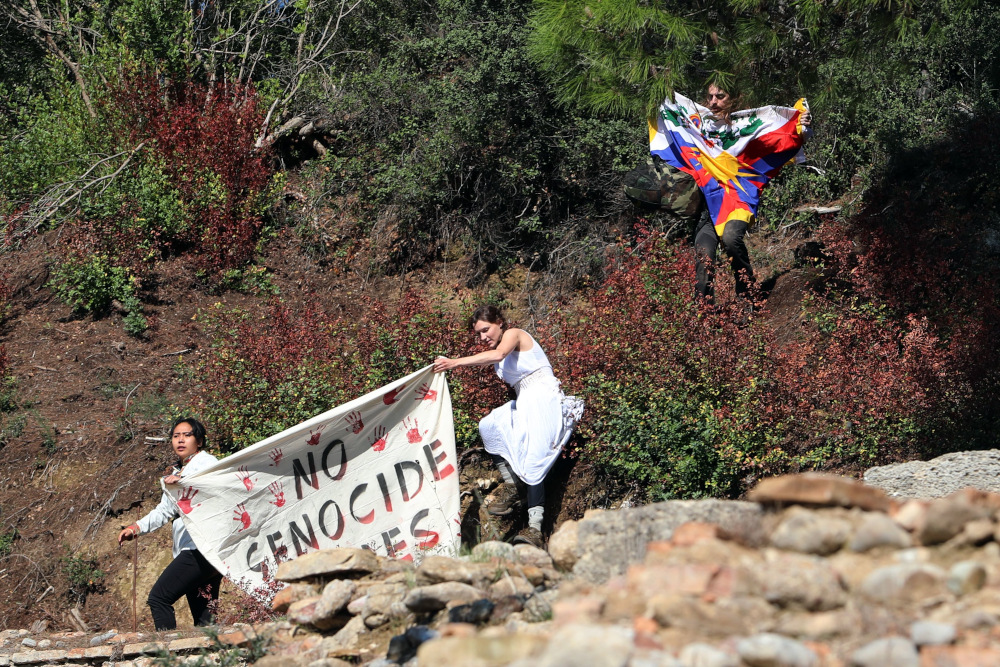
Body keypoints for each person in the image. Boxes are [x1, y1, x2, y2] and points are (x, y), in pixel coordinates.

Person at [433, 305, 583, 548]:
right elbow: (497, 361)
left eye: (485, 330)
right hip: (525, 401)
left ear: (499, 322)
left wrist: (454, 363)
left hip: (544, 398)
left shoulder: (514, 333)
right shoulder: (498, 360)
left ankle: (535, 528)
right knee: (489, 425)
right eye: (478, 334)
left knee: (534, 459)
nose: (483, 337)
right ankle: (514, 485)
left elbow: (498, 354)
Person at [688, 84, 812, 304]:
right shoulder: (700, 126)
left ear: (733, 99)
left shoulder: (748, 126)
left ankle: (747, 297)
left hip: (738, 200)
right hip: (709, 207)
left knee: (731, 239)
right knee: (703, 255)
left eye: (720, 96)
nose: (713, 101)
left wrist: (803, 127)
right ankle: (703, 319)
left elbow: (783, 138)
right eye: (709, 96)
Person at [118, 417, 221, 631]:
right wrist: (135, 528)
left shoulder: (208, 464)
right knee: (205, 623)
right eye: (176, 436)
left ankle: (167, 656)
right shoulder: (177, 472)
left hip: (199, 549)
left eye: (187, 435)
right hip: (202, 552)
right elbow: (165, 511)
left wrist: (184, 483)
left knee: (159, 598)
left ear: (199, 441)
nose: (180, 440)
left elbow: (215, 489)